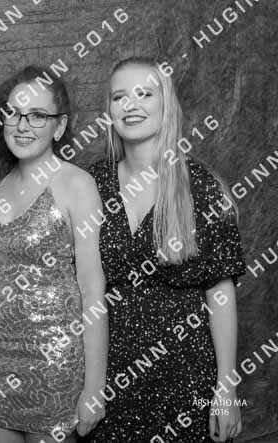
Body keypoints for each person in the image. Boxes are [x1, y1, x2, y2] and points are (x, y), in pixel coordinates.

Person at [86, 56, 245, 442]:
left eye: (145, 94)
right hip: (108, 376)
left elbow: (220, 293)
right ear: (109, 110)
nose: (131, 105)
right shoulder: (91, 183)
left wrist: (226, 390)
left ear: (166, 104)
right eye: (119, 96)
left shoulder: (200, 186)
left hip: (186, 376)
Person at [0, 65, 108, 443]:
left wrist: (95, 388)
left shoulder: (77, 185)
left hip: (55, 367)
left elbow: (92, 290)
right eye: (13, 113)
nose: (22, 125)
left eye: (37, 115)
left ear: (59, 127)